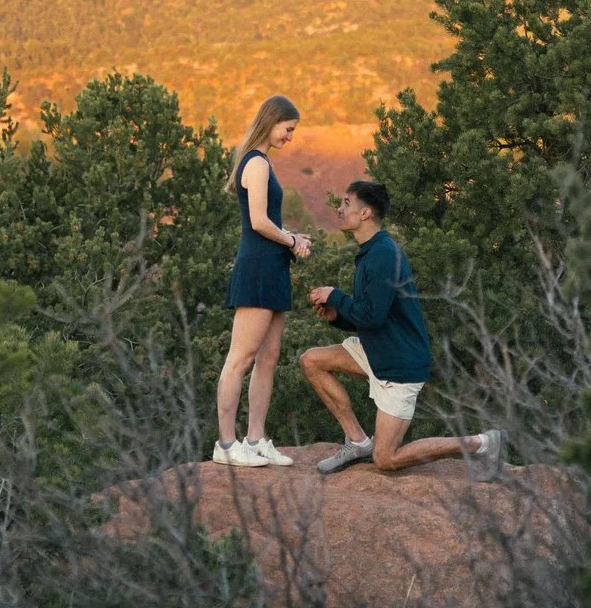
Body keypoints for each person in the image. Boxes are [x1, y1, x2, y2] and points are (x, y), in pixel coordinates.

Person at [301, 178, 503, 476]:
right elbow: (371, 314)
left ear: (366, 213)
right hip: (377, 351)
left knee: (386, 460)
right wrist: (338, 316)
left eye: (346, 203)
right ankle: (357, 442)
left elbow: (372, 316)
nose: (339, 209)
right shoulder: (371, 250)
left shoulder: (383, 254)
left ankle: (482, 443)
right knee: (312, 360)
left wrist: (336, 296)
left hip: (399, 364)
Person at [213, 95, 311, 467]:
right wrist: (292, 239)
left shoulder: (263, 162)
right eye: (289, 129)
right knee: (241, 358)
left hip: (273, 267)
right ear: (273, 121)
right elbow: (257, 221)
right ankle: (225, 446)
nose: (290, 137)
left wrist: (289, 239)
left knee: (268, 358)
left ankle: (255, 440)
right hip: (257, 266)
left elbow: (266, 221)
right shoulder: (255, 164)